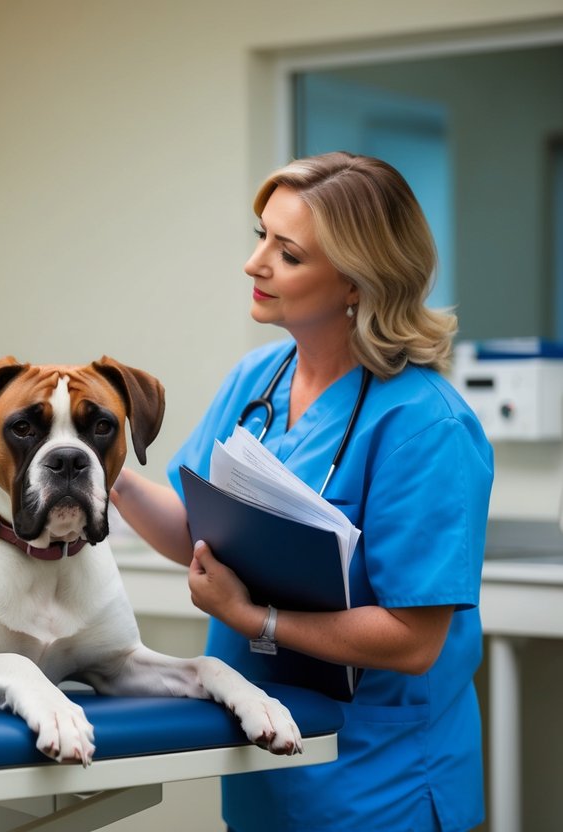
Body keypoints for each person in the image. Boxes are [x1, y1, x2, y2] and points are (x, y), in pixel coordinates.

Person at [111, 151, 492, 831]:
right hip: (267, 763)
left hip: (377, 781)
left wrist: (255, 619)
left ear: (354, 280)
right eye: (259, 237)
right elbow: (188, 532)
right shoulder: (257, 377)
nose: (254, 264)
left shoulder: (423, 424)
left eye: (286, 253)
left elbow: (413, 640)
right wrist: (99, 468)